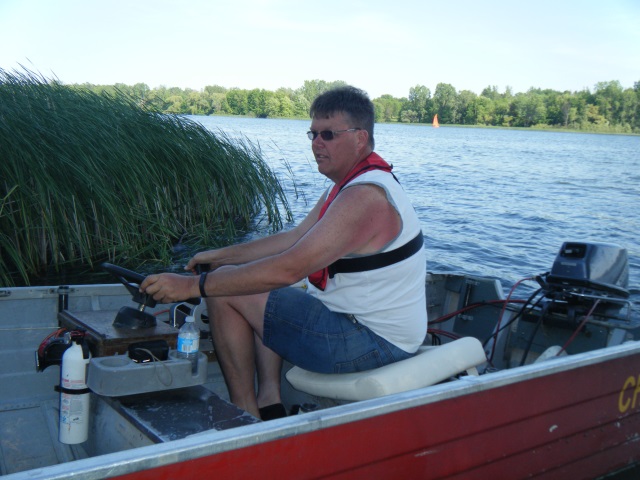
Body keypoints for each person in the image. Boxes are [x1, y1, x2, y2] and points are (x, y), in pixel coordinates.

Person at [141, 86, 427, 420]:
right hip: (370, 330)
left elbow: (290, 267)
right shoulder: (351, 185)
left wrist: (194, 285)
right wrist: (223, 256)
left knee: (224, 290)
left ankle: (244, 419)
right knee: (238, 278)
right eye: (313, 133)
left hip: (371, 343)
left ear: (360, 138)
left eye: (328, 135)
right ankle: (269, 402)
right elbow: (295, 238)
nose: (316, 143)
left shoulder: (363, 197)